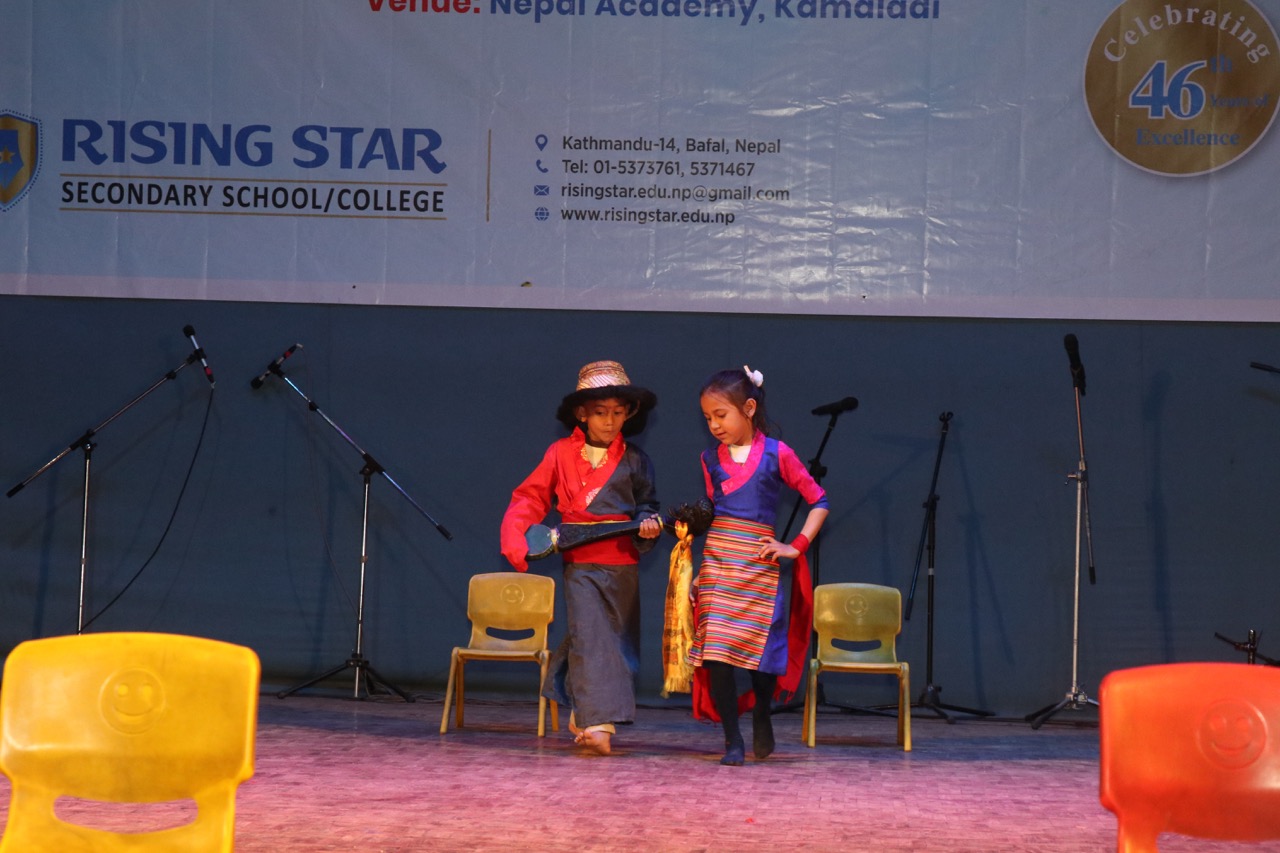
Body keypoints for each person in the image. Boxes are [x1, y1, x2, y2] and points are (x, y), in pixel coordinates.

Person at [500, 360, 662, 755]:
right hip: (581, 562)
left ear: (629, 414)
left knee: (614, 641)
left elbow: (647, 505)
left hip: (622, 563)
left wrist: (648, 524)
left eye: (618, 412)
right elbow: (531, 496)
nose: (610, 421)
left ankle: (580, 708)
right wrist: (516, 534)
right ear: (581, 413)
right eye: (601, 412)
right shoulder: (559, 453)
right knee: (592, 635)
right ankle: (599, 725)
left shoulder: (636, 459)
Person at [690, 365, 829, 765]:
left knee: (762, 659)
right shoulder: (709, 459)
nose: (714, 425)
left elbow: (818, 501)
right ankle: (732, 740)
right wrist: (698, 571)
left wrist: (796, 546)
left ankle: (762, 712)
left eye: (721, 415)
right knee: (716, 654)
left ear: (749, 408)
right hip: (719, 563)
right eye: (708, 418)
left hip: (758, 566)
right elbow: (714, 512)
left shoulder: (776, 453)